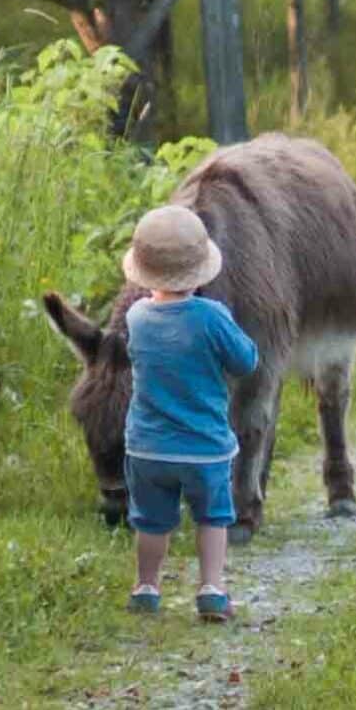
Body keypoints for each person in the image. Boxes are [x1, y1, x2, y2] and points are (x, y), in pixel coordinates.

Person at [117, 204, 258, 624]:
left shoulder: (136, 316)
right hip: (205, 448)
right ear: (200, 269)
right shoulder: (211, 317)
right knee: (212, 518)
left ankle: (146, 587)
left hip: (147, 448)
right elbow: (246, 361)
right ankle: (212, 589)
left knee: (151, 521)